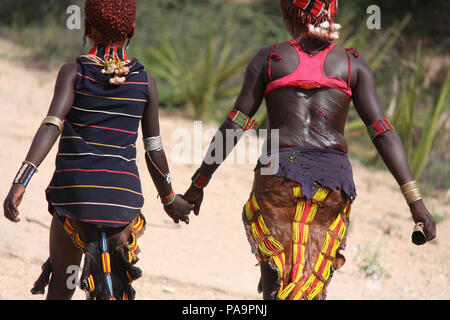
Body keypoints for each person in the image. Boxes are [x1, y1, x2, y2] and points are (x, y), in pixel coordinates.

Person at [184, 0, 437, 300]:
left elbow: (235, 124)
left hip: (277, 174)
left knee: (276, 278)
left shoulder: (269, 58)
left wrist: (198, 184)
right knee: (312, 282)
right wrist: (415, 201)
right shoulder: (351, 64)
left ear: (291, 12)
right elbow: (382, 131)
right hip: (332, 181)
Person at [3, 0, 192, 300]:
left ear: (88, 27)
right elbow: (153, 149)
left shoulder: (73, 72)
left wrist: (21, 180)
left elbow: (52, 125)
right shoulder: (145, 82)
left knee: (61, 289)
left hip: (75, 198)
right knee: (112, 293)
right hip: (122, 203)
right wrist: (170, 199)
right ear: (131, 29)